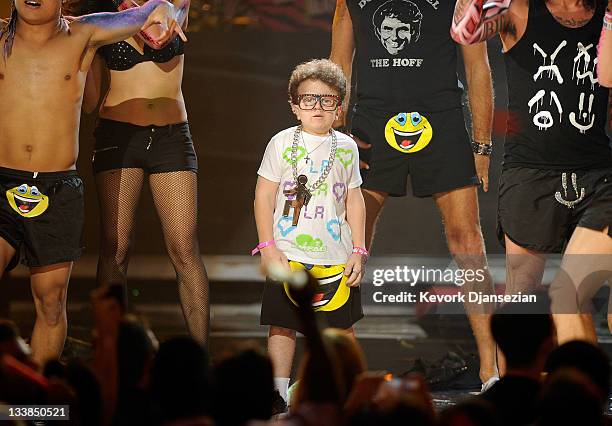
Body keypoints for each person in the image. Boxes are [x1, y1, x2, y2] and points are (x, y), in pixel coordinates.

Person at [0, 0, 183, 367]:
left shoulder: (83, 33)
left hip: (58, 189)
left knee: (51, 302)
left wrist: (161, 6)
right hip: (2, 183)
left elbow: (142, 13)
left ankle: (37, 403)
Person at [330, 0, 498, 388]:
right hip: (371, 120)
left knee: (467, 238)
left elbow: (477, 67)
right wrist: (335, 136)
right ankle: (342, 369)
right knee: (349, 241)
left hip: (442, 117)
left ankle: (491, 369)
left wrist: (483, 146)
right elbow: (339, 62)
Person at [451, 0, 612, 344]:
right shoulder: (519, 10)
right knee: (521, 300)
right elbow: (465, 32)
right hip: (530, 171)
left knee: (573, 296)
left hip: (598, 174)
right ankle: (519, 393)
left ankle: (581, 388)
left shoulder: (605, 13)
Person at [84, 0, 210, 347]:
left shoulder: (175, 5)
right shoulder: (103, 15)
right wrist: (83, 52)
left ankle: (201, 356)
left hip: (172, 137)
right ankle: (110, 350)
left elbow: (166, 13)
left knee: (184, 247)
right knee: (116, 247)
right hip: (118, 136)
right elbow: (91, 101)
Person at [253, 58, 366, 406]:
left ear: (339, 108)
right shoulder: (281, 143)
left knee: (341, 329)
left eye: (327, 100)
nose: (317, 107)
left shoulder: (346, 147)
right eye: (308, 99)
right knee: (282, 325)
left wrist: (358, 249)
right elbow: (263, 196)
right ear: (294, 106)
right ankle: (276, 391)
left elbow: (355, 199)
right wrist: (268, 247)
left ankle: (345, 390)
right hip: (289, 254)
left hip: (334, 254)